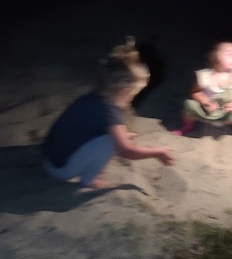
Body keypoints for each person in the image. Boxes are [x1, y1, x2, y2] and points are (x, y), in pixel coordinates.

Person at [42, 38, 176, 189]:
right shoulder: (110, 112)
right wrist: (157, 153)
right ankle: (91, 179)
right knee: (110, 142)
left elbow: (88, 129)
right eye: (133, 94)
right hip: (62, 170)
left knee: (115, 136)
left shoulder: (93, 97)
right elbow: (126, 151)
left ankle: (99, 155)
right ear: (125, 90)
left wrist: (122, 136)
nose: (133, 98)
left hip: (50, 160)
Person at [173, 41, 232, 135]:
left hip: (229, 110)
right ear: (215, 57)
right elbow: (196, 92)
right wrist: (206, 102)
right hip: (209, 108)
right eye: (229, 54)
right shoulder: (204, 75)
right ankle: (188, 125)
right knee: (189, 105)